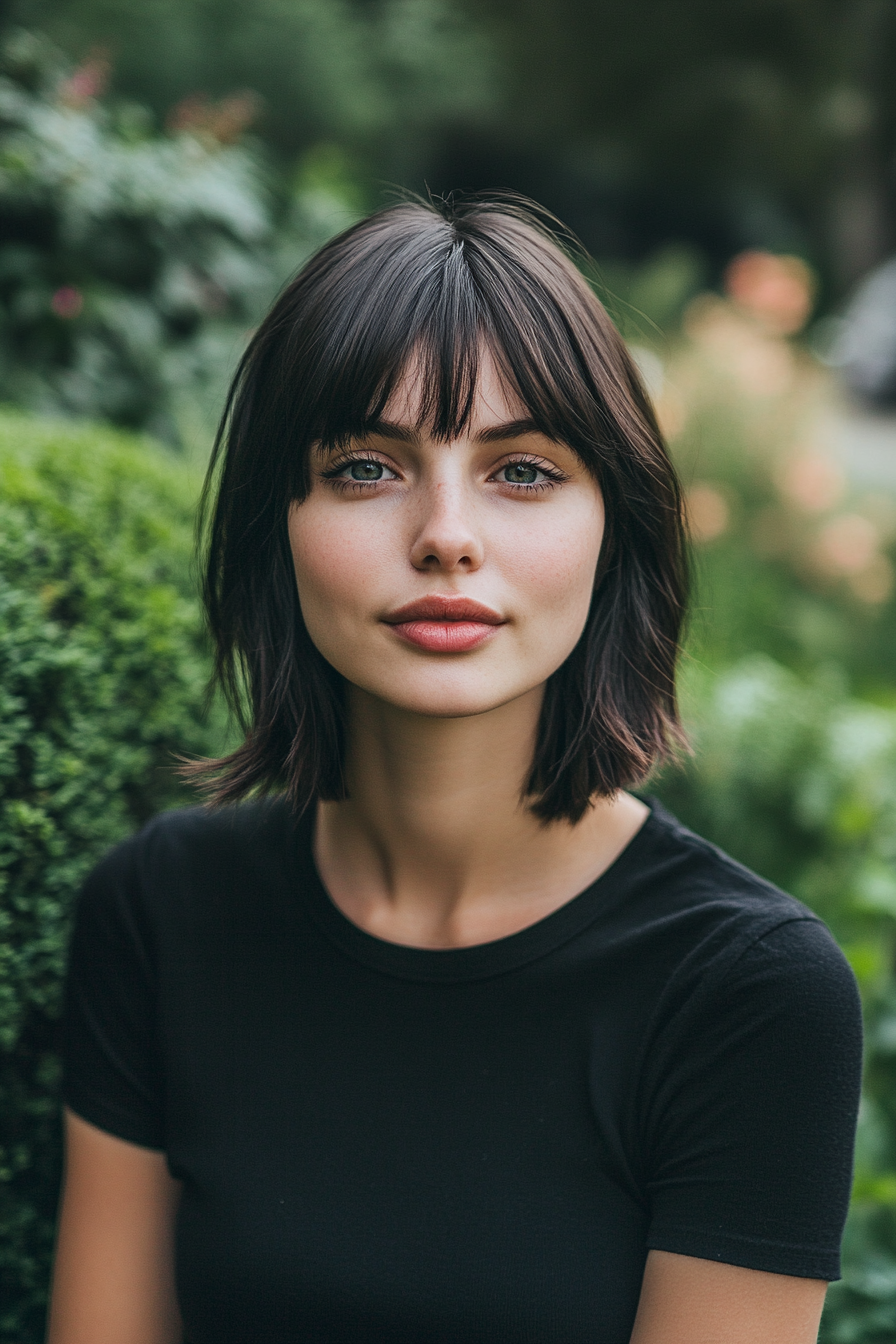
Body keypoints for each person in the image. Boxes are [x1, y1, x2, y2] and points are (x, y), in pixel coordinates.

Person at [49, 197, 862, 1344]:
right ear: (274, 523)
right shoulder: (160, 911)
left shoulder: (742, 993)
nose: (445, 533)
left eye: (522, 472)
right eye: (367, 467)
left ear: (612, 527)